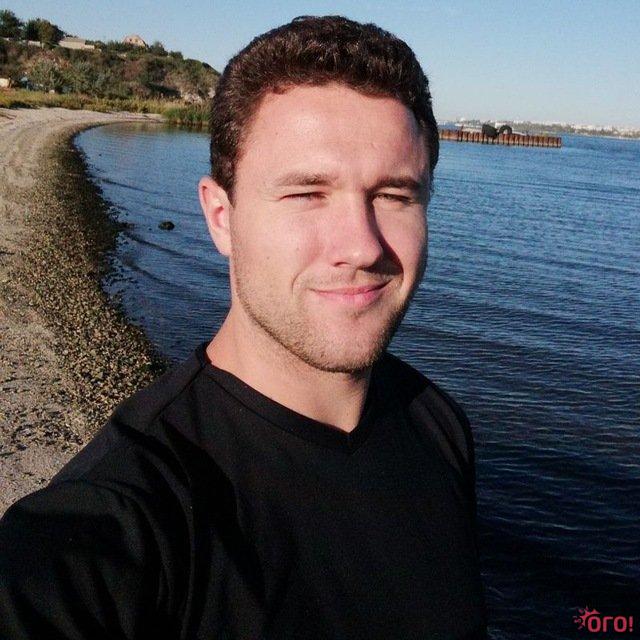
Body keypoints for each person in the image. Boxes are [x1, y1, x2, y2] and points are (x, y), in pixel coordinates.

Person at [0, 15, 488, 639]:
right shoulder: (123, 515)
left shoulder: (437, 426)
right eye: (306, 193)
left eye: (395, 196)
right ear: (221, 217)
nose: (362, 246)